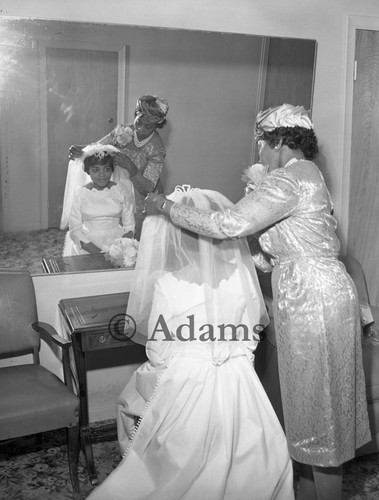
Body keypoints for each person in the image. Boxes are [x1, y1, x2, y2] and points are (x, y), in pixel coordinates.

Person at [143, 104, 371, 500]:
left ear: (280, 141)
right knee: (307, 409)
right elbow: (268, 254)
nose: (260, 156)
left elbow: (225, 224)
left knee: (320, 420)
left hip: (313, 298)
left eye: (262, 146)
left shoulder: (293, 177)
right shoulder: (304, 176)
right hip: (310, 292)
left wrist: (166, 206)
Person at [86, 186, 294, 500]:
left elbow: (158, 350)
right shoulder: (241, 276)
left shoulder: (168, 284)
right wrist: (235, 362)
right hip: (239, 378)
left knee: (140, 409)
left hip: (185, 379)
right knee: (255, 454)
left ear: (176, 239)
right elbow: (252, 332)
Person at [68, 94, 169, 239]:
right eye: (139, 121)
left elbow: (147, 188)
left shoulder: (157, 148)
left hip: (140, 198)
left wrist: (130, 166)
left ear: (157, 125)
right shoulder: (124, 131)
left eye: (148, 126)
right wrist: (81, 150)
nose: (140, 128)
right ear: (136, 114)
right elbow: (99, 146)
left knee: (133, 240)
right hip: (116, 188)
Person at [60, 144, 135, 256]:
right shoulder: (80, 194)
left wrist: (118, 250)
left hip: (117, 245)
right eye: (95, 170)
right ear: (87, 171)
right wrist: (99, 254)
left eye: (107, 169)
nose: (102, 175)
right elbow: (75, 230)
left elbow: (129, 226)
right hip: (87, 245)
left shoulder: (121, 190)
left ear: (112, 170)